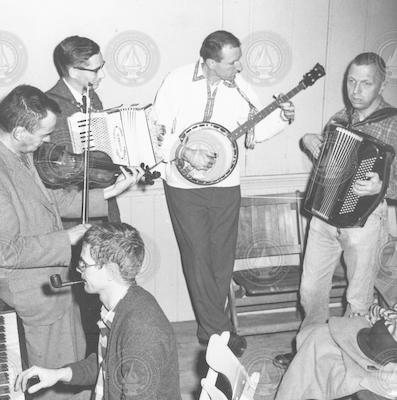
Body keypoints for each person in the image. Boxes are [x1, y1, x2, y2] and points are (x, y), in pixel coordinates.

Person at [152, 30, 295, 356]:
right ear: (209, 63)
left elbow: (258, 126)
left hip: (226, 185)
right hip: (183, 186)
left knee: (221, 260)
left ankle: (210, 328)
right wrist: (185, 151)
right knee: (198, 257)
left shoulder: (240, 88)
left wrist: (283, 119)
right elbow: (155, 128)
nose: (239, 67)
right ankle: (219, 331)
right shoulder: (176, 81)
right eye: (232, 62)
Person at [0, 85, 142, 400]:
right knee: (50, 379)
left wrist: (110, 191)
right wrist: (67, 237)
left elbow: (54, 201)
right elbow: (5, 251)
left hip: (56, 281)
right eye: (44, 134)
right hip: (34, 290)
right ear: (21, 131)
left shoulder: (20, 154)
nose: (49, 141)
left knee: (71, 370)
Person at [274, 52, 397, 368]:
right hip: (324, 220)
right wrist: (309, 139)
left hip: (365, 222)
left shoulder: (394, 123)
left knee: (358, 299)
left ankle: (351, 362)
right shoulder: (339, 119)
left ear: (381, 84)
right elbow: (327, 166)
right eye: (351, 82)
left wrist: (381, 187)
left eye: (365, 83)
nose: (356, 90)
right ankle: (309, 354)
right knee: (310, 291)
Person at [15, 223, 182, 400]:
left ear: (111, 271)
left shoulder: (142, 330)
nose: (79, 271)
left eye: (84, 265)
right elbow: (107, 365)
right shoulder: (116, 308)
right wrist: (58, 374)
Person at [274, 303, 397, 400]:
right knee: (317, 335)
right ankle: (301, 375)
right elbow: (384, 314)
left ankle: (308, 381)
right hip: (367, 341)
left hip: (381, 360)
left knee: (325, 351)